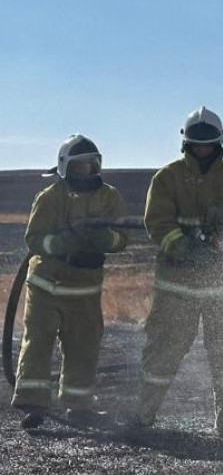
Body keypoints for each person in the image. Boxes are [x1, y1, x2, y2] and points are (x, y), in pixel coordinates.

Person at [131, 107, 223, 439]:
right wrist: (184, 247)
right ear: (186, 144)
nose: (202, 150)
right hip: (178, 284)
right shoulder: (167, 178)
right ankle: (144, 416)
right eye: (196, 144)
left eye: (208, 144)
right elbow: (157, 223)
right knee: (164, 349)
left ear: (219, 143)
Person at [11, 135, 129, 429]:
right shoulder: (50, 197)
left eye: (92, 163)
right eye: (80, 165)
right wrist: (65, 241)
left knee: (83, 346)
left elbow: (122, 237)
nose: (87, 169)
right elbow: (34, 240)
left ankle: (79, 407)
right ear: (66, 167)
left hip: (85, 288)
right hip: (46, 286)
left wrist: (102, 238)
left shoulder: (109, 197)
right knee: (38, 344)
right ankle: (34, 405)